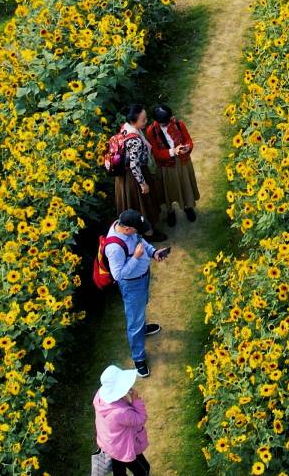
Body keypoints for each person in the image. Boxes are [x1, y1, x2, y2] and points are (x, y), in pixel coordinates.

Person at [101, 213, 167, 375]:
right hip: (132, 285)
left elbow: (141, 242)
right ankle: (138, 358)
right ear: (127, 228)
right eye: (138, 230)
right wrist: (136, 258)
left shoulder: (125, 226)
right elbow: (118, 275)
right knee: (134, 321)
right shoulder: (114, 248)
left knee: (141, 308)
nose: (140, 233)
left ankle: (143, 328)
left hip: (143, 277)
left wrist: (153, 252)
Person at [145, 104, 200, 225]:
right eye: (162, 123)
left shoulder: (179, 124)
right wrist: (172, 151)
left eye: (167, 121)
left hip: (182, 162)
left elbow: (188, 140)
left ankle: (188, 207)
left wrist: (187, 148)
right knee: (168, 191)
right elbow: (156, 153)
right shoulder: (151, 131)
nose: (166, 124)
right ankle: (170, 212)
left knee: (185, 186)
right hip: (166, 166)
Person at [94, 365, 150, 476]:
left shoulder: (99, 395)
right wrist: (135, 399)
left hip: (109, 444)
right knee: (143, 470)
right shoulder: (121, 412)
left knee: (119, 471)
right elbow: (141, 418)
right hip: (123, 447)